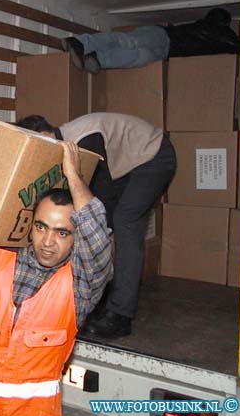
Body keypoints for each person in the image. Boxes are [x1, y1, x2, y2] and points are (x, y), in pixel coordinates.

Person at [0, 141, 113, 416]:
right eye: (41, 226)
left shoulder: (80, 284)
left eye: (62, 232)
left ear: (75, 238)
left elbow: (97, 238)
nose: (47, 241)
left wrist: (73, 175)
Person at [16, 113, 176, 338]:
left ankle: (120, 315)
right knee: (94, 225)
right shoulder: (67, 146)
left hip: (154, 155)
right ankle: (101, 298)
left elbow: (99, 206)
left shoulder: (85, 141)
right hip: (129, 164)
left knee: (123, 222)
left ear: (45, 135)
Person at [61, 7, 240, 73]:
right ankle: (80, 43)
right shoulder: (209, 28)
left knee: (139, 58)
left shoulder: (218, 38)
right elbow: (234, 44)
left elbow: (233, 45)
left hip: (166, 54)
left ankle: (97, 59)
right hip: (162, 35)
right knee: (128, 41)